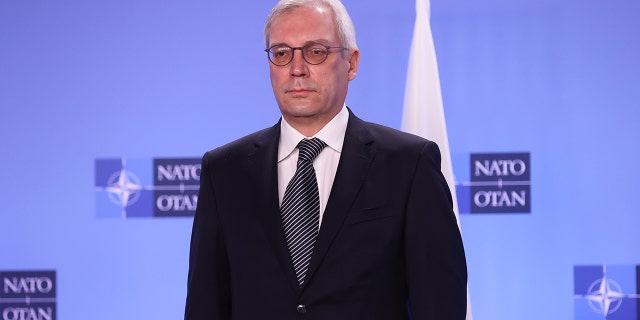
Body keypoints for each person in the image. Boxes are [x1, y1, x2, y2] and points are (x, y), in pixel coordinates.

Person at [184, 0, 467, 319]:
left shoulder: (409, 165)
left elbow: (441, 305)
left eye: (315, 51)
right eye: (281, 53)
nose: (296, 68)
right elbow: (205, 306)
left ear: (352, 62)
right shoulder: (224, 172)